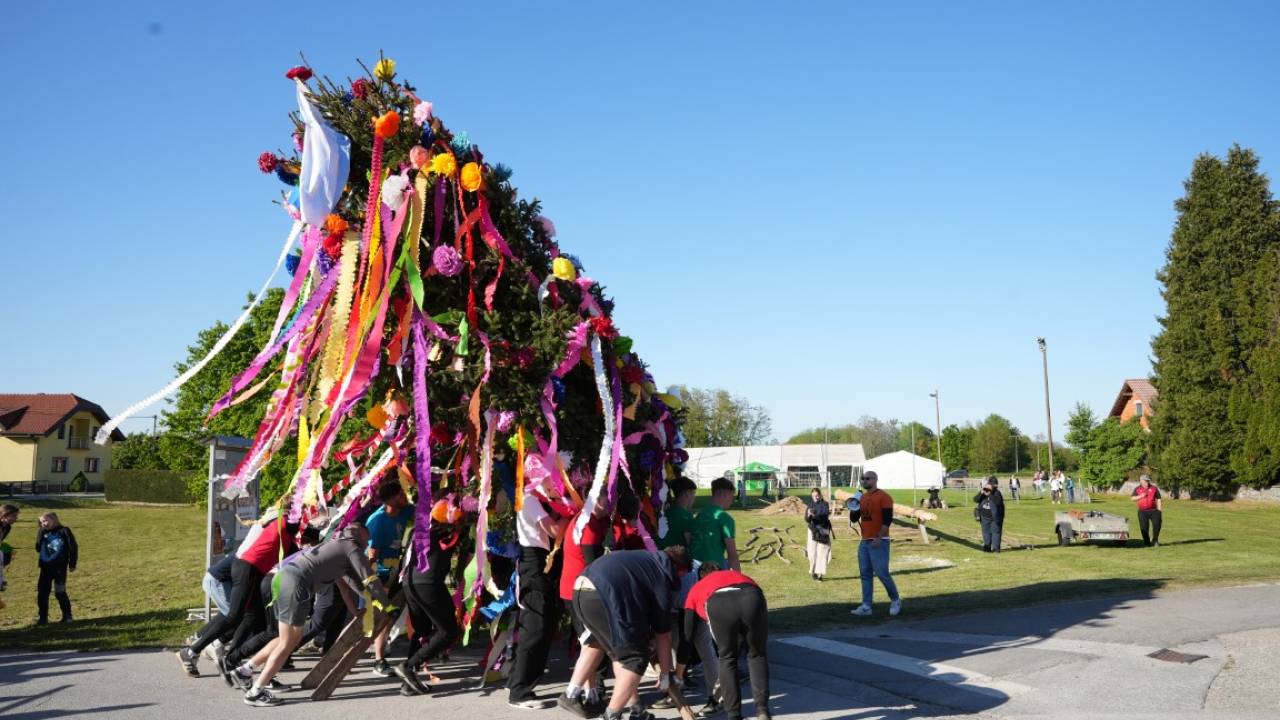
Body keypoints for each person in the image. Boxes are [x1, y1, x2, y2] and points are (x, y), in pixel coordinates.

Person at [236, 521, 387, 707]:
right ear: (360, 535)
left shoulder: (336, 546)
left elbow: (350, 584)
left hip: (282, 577)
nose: (367, 544)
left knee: (286, 638)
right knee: (288, 642)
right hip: (296, 583)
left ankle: (245, 670)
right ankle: (255, 692)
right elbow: (369, 579)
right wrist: (386, 604)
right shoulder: (351, 547)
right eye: (367, 539)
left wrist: (361, 606)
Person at [571, 548, 688, 720]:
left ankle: (636, 710)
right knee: (636, 658)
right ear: (677, 568)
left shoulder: (645, 559)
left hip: (580, 589)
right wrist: (665, 674)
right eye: (682, 575)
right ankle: (611, 716)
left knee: (619, 652)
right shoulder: (660, 575)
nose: (681, 579)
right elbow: (663, 635)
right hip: (602, 593)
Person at [178, 514, 298, 677]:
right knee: (234, 616)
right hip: (248, 567)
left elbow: (298, 552)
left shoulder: (287, 533)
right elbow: (300, 526)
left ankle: (231, 660)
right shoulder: (284, 520)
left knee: (252, 616)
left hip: (254, 569)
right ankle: (192, 652)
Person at [506, 481, 568, 709]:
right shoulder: (530, 499)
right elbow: (555, 531)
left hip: (540, 564)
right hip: (534, 564)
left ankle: (516, 680)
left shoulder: (537, 501)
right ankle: (519, 691)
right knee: (535, 629)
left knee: (540, 627)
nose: (556, 485)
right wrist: (571, 512)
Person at [684, 564, 771, 720]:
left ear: (701, 576)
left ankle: (734, 714)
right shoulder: (737, 575)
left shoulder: (697, 587)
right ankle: (762, 710)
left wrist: (679, 671)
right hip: (752, 596)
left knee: (727, 658)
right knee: (757, 654)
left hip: (719, 603)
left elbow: (688, 633)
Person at [396, 502, 463, 696]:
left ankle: (408, 683)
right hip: (428, 583)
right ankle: (409, 666)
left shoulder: (421, 530)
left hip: (410, 583)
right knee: (449, 631)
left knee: (422, 631)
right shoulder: (447, 532)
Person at [557, 503, 611, 717]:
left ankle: (592, 695)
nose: (608, 501)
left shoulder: (593, 520)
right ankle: (572, 693)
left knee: (588, 643)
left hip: (577, 589)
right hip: (580, 591)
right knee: (594, 642)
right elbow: (592, 563)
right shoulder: (587, 524)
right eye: (603, 496)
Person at [365, 481, 414, 676]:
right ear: (391, 499)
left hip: (395, 567)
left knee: (389, 615)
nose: (405, 497)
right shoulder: (378, 521)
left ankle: (381, 651)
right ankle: (378, 660)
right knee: (380, 615)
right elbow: (371, 556)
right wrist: (377, 583)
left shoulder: (403, 511)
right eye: (401, 494)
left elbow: (424, 511)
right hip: (380, 570)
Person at [849, 471, 901, 617]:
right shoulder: (862, 497)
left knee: (882, 573)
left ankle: (895, 600)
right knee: (865, 574)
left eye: (867, 478)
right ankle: (866, 606)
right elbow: (854, 519)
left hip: (880, 540)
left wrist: (879, 537)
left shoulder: (884, 497)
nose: (864, 481)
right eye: (862, 479)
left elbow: (887, 520)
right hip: (865, 541)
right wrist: (854, 505)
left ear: (875, 480)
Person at [35, 512, 77, 625]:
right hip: (45, 567)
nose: (44, 523)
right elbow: (37, 548)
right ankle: (43, 618)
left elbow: (73, 547)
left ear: (54, 519)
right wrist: (40, 533)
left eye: (46, 520)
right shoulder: (42, 532)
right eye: (42, 522)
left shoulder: (64, 531)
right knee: (42, 593)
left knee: (60, 591)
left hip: (59, 567)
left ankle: (67, 616)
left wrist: (72, 563)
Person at [691, 477, 739, 570]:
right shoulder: (725, 518)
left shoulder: (699, 515)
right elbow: (732, 554)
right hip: (712, 570)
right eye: (731, 497)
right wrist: (737, 577)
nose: (732, 501)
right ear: (724, 495)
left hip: (693, 568)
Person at [660, 477, 698, 550]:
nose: (694, 497)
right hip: (674, 556)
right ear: (687, 494)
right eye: (694, 493)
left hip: (657, 554)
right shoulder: (687, 517)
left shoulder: (665, 513)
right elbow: (692, 546)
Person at [804, 488, 832, 580]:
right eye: (813, 496)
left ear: (820, 495)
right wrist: (809, 515)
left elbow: (824, 516)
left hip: (823, 530)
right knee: (812, 553)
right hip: (812, 530)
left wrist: (815, 515)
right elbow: (806, 519)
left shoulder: (825, 504)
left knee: (822, 552)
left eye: (817, 495)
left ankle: (820, 574)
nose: (815, 497)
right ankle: (813, 571)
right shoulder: (810, 504)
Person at [974, 477, 1005, 553]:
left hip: (995, 517)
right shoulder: (984, 491)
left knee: (996, 532)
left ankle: (996, 549)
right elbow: (975, 499)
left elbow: (998, 502)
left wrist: (990, 494)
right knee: (986, 532)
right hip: (984, 516)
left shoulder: (997, 493)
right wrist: (981, 493)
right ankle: (987, 547)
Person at [1131, 474, 1163, 547]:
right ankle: (1147, 542)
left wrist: (1159, 510)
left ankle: (1155, 540)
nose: (1147, 482)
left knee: (1157, 524)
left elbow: (1159, 498)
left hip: (1154, 510)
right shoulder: (1137, 489)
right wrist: (1141, 496)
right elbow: (1132, 498)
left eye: (1148, 481)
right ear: (1141, 481)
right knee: (1144, 527)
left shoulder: (1154, 488)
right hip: (1142, 511)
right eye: (1145, 481)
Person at [0, 504, 19, 601]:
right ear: (5, 515)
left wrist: (7, 550)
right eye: (14, 516)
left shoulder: (7, 527)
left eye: (16, 516)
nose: (16, 518)